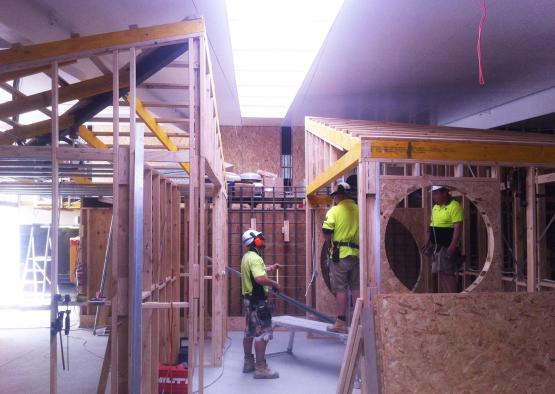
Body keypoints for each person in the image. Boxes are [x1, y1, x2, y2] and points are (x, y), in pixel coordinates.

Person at [240, 229, 281, 379]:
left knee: (249, 331)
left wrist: (270, 268)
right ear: (253, 241)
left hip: (249, 300)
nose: (262, 240)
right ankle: (261, 367)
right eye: (259, 238)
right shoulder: (255, 258)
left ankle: (248, 362)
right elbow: (259, 279)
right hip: (258, 301)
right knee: (263, 333)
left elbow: (257, 271)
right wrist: (274, 284)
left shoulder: (247, 257)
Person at [322, 182, 359, 334]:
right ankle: (359, 321)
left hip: (339, 255)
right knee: (356, 287)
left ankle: (341, 322)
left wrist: (330, 243)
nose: (334, 200)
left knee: (340, 288)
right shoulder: (358, 209)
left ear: (338, 196)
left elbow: (327, 231)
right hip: (356, 254)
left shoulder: (334, 211)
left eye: (334, 197)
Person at [422, 186, 464, 293]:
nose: (434, 196)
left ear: (444, 193)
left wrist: (452, 246)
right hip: (436, 247)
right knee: (440, 272)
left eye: (436, 193)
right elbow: (431, 227)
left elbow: (458, 228)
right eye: (434, 193)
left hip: (446, 247)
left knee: (447, 273)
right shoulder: (435, 207)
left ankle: (453, 298)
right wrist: (427, 242)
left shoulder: (454, 206)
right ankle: (447, 298)